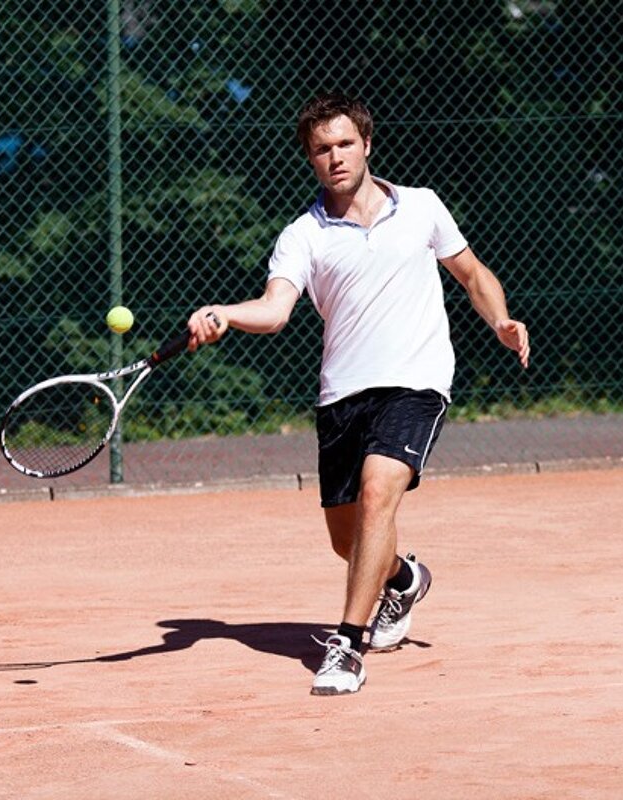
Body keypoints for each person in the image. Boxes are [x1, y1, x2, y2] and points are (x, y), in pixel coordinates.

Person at [184, 91, 530, 696]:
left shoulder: (422, 207)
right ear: (310, 160)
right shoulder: (303, 236)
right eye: (322, 149)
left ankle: (347, 646)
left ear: (367, 144)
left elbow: (472, 274)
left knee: (379, 495)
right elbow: (274, 309)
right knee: (347, 540)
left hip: (417, 383)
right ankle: (402, 579)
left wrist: (499, 321)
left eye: (345, 143)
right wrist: (226, 314)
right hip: (342, 394)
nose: (336, 156)